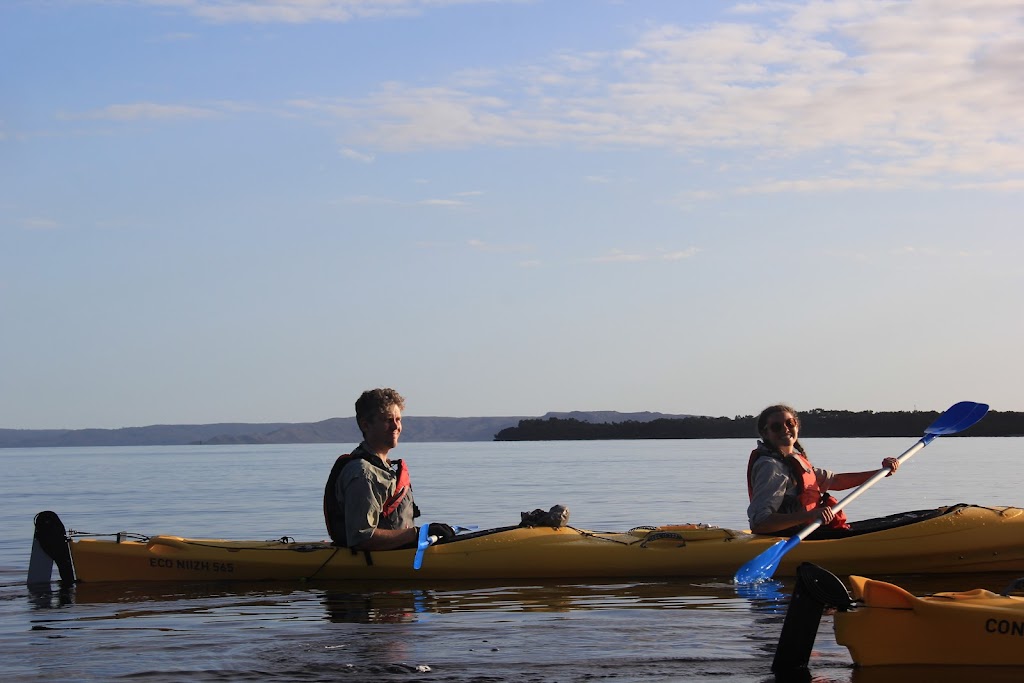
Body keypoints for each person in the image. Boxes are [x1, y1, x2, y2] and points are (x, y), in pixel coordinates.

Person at [324, 388, 455, 550]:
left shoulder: (385, 468)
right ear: (366, 425)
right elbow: (361, 538)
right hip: (377, 563)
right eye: (387, 420)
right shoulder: (363, 473)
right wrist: (417, 534)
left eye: (398, 419)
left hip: (399, 554)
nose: (395, 426)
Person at [746, 404, 900, 536]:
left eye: (790, 423)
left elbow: (835, 481)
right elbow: (760, 522)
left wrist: (881, 472)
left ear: (797, 426)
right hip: (786, 537)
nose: (785, 429)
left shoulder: (792, 461)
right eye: (776, 427)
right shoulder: (771, 467)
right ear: (766, 433)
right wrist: (811, 515)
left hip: (806, 531)